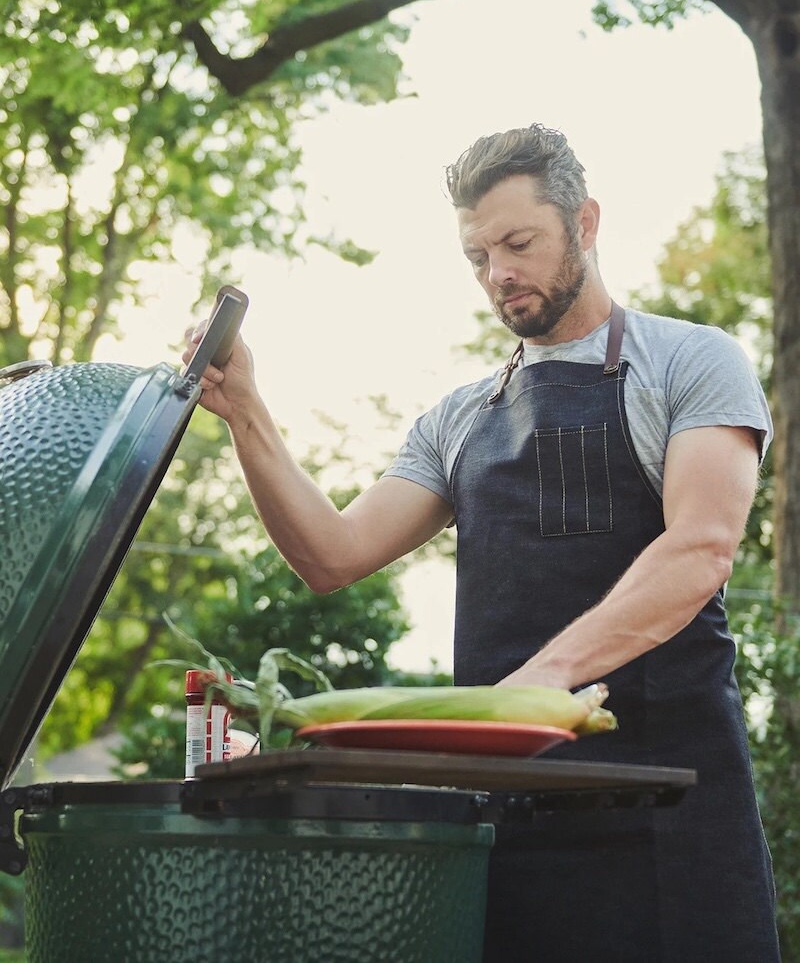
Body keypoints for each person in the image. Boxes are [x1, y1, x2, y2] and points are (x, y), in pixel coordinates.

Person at [184, 124, 780, 961]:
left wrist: (538, 681)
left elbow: (702, 551)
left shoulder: (691, 362)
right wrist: (246, 411)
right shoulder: (459, 419)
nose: (499, 275)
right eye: (477, 256)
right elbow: (331, 554)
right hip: (504, 820)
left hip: (667, 819)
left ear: (586, 222)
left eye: (519, 243)